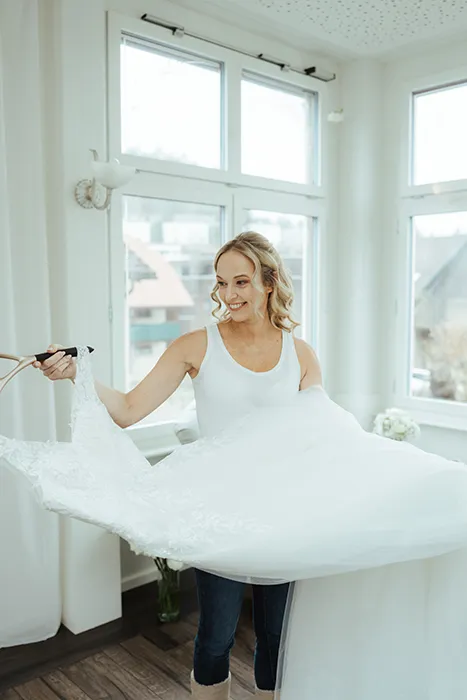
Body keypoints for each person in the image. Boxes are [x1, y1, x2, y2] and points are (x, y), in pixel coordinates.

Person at [34, 231, 323, 700]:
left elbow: (319, 435)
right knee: (216, 637)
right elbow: (128, 410)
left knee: (276, 637)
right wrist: (77, 374)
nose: (229, 295)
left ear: (270, 282)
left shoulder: (301, 354)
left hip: (282, 512)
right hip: (216, 512)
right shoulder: (196, 345)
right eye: (222, 283)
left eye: (242, 282)